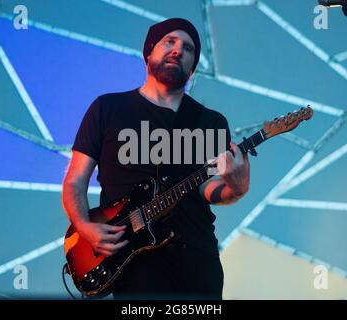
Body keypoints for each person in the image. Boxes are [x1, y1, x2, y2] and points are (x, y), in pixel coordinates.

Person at [62, 18, 250, 300]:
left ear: (193, 67)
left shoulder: (210, 121)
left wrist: (236, 188)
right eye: (169, 42)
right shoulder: (108, 108)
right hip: (135, 260)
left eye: (188, 49)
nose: (178, 51)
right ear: (148, 53)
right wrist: (84, 226)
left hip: (197, 258)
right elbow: (75, 181)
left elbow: (206, 189)